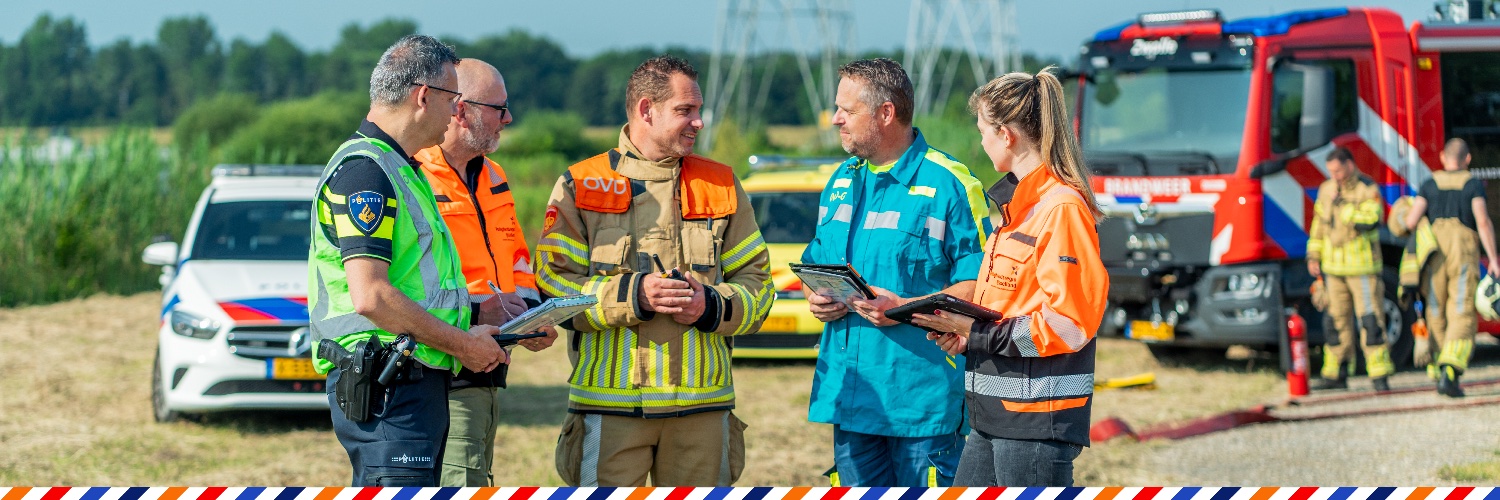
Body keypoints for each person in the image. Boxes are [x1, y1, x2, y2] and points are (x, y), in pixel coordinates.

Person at [537, 55, 773, 486]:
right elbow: (554, 289)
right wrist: (632, 296)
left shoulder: (721, 183)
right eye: (686, 111)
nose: (699, 122)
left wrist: (711, 305)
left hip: (702, 410)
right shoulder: (581, 184)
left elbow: (759, 287)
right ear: (647, 110)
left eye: (698, 110)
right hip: (609, 410)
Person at [306, 35, 507, 487]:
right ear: (423, 97)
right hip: (388, 387)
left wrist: (471, 319)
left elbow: (413, 286)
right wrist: (462, 345)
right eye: (454, 99)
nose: (457, 112)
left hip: (406, 381)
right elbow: (371, 295)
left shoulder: (400, 168)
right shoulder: (368, 172)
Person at [909, 68, 1107, 487]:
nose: (980, 141)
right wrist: (965, 335)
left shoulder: (1061, 209)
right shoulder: (1016, 209)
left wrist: (978, 335)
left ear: (1006, 134)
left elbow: (1069, 325)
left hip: (1035, 421)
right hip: (993, 413)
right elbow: (1012, 310)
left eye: (982, 130)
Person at [801, 58, 993, 487]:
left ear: (885, 113)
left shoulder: (950, 184)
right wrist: (819, 296)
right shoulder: (840, 180)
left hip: (920, 404)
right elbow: (816, 260)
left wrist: (903, 307)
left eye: (847, 111)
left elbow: (983, 285)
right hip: (851, 397)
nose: (835, 120)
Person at [413, 58, 558, 486]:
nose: (509, 118)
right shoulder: (414, 176)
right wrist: (482, 313)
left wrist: (531, 317)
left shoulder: (494, 175)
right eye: (500, 107)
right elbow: (410, 284)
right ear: (461, 110)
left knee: (475, 476)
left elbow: (516, 259)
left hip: (490, 362)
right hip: (439, 368)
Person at [1404, 138, 1500, 397]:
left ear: (1443, 158)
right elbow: (1482, 220)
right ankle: (1450, 370)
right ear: (1467, 159)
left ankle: (1437, 368)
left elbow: (1411, 220)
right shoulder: (1472, 184)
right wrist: (1493, 258)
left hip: (1434, 252)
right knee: (1460, 310)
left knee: (1435, 308)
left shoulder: (1429, 183)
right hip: (1462, 251)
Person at [1305, 147, 1393, 392]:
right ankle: (1336, 373)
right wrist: (1313, 256)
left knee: (1370, 321)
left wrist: (1343, 206)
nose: (1334, 176)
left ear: (1350, 165)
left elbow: (1373, 220)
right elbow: (1319, 226)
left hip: (1362, 268)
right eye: (1330, 171)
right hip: (1333, 270)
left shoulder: (1367, 188)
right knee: (1335, 322)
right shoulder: (1326, 190)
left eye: (1338, 170)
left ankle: (1379, 375)